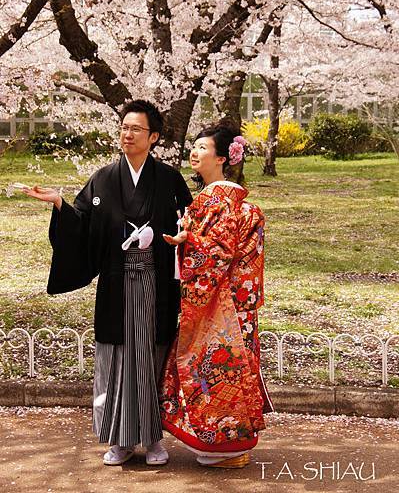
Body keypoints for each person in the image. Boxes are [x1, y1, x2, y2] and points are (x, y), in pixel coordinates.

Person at [23, 99, 192, 467]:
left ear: (154, 137)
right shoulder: (102, 178)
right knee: (114, 361)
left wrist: (178, 239)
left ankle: (152, 439)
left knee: (151, 358)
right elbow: (82, 224)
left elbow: (189, 223)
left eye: (136, 129)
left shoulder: (168, 180)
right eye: (124, 128)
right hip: (117, 284)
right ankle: (119, 440)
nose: (127, 134)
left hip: (156, 282)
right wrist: (59, 205)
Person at [161, 121, 273, 468]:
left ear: (223, 158)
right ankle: (232, 446)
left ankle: (219, 446)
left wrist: (187, 242)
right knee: (235, 371)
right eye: (194, 146)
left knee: (211, 366)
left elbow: (216, 253)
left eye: (203, 148)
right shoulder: (242, 205)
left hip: (216, 302)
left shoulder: (216, 202)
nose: (195, 152)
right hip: (239, 304)